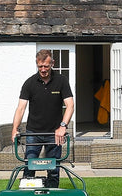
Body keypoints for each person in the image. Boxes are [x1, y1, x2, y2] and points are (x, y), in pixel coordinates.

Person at [11, 49, 75, 188]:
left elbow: (70, 105)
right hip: (33, 132)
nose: (43, 69)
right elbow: (21, 108)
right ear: (37, 64)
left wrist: (63, 126)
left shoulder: (61, 81)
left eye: (46, 66)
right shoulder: (30, 83)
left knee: (53, 169)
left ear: (52, 63)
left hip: (54, 133)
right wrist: (15, 129)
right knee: (30, 166)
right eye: (40, 66)